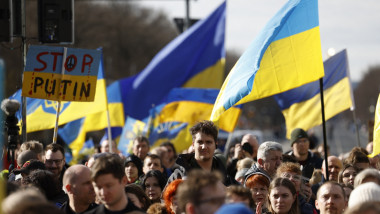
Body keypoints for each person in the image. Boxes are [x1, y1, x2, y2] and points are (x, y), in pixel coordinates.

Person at [169, 120, 234, 186]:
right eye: (200, 142)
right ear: (193, 145)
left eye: (208, 142)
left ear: (215, 144)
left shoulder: (225, 177)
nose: (204, 147)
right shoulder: (179, 176)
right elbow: (165, 195)